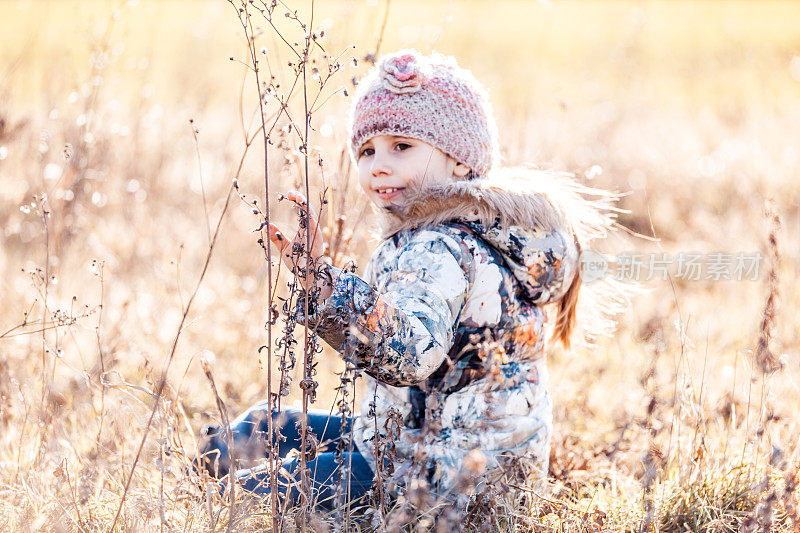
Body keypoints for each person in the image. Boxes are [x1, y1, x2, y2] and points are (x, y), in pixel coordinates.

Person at [197, 49, 623, 513]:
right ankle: (211, 470)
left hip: (436, 481)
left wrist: (326, 287)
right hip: (439, 449)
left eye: (402, 146)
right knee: (257, 428)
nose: (379, 165)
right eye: (367, 150)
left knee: (243, 496)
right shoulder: (479, 231)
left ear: (460, 161)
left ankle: (206, 493)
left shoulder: (439, 247)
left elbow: (409, 355)